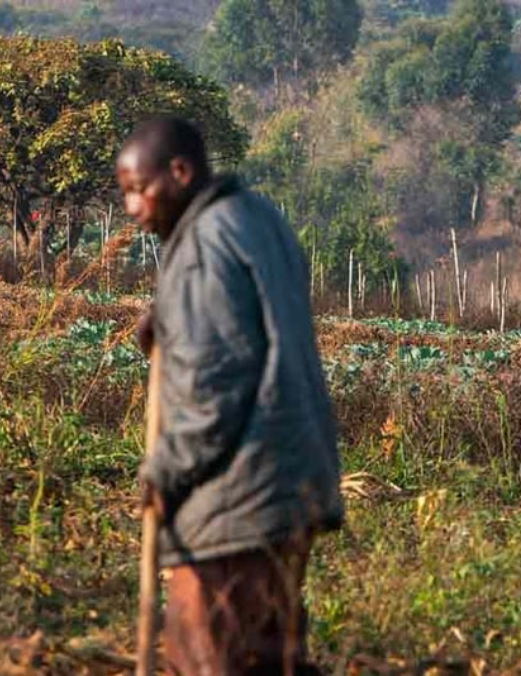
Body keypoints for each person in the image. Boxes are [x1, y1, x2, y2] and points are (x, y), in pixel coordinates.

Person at [117, 116, 343, 675]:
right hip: (295, 481)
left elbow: (212, 390)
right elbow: (248, 317)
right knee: (270, 658)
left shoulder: (201, 247)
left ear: (180, 172)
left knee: (205, 655)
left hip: (241, 498)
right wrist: (172, 317)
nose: (133, 209)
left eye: (140, 190)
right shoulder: (256, 218)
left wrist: (165, 469)